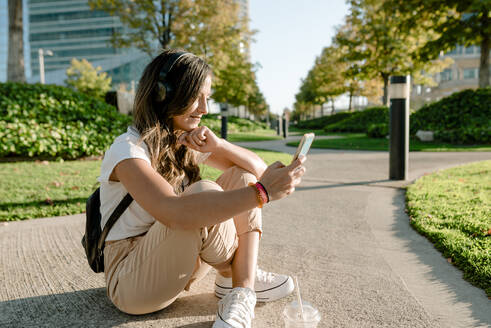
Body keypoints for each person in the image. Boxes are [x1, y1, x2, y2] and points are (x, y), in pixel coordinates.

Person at [98, 49, 306, 328]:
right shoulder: (127, 149)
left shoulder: (183, 142)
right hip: (131, 282)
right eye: (196, 96)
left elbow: (257, 171)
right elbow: (173, 213)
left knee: (240, 176)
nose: (204, 108)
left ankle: (240, 290)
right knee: (204, 193)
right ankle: (237, 275)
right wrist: (262, 193)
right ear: (163, 94)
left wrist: (219, 145)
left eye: (208, 98)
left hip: (179, 264)